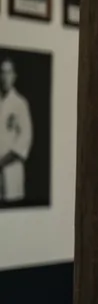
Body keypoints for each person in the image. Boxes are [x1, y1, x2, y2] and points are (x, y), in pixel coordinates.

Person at [0, 58, 33, 204]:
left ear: (14, 76)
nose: (5, 76)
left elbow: (25, 138)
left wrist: (2, 161)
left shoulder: (20, 103)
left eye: (9, 72)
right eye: (2, 72)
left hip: (11, 168)